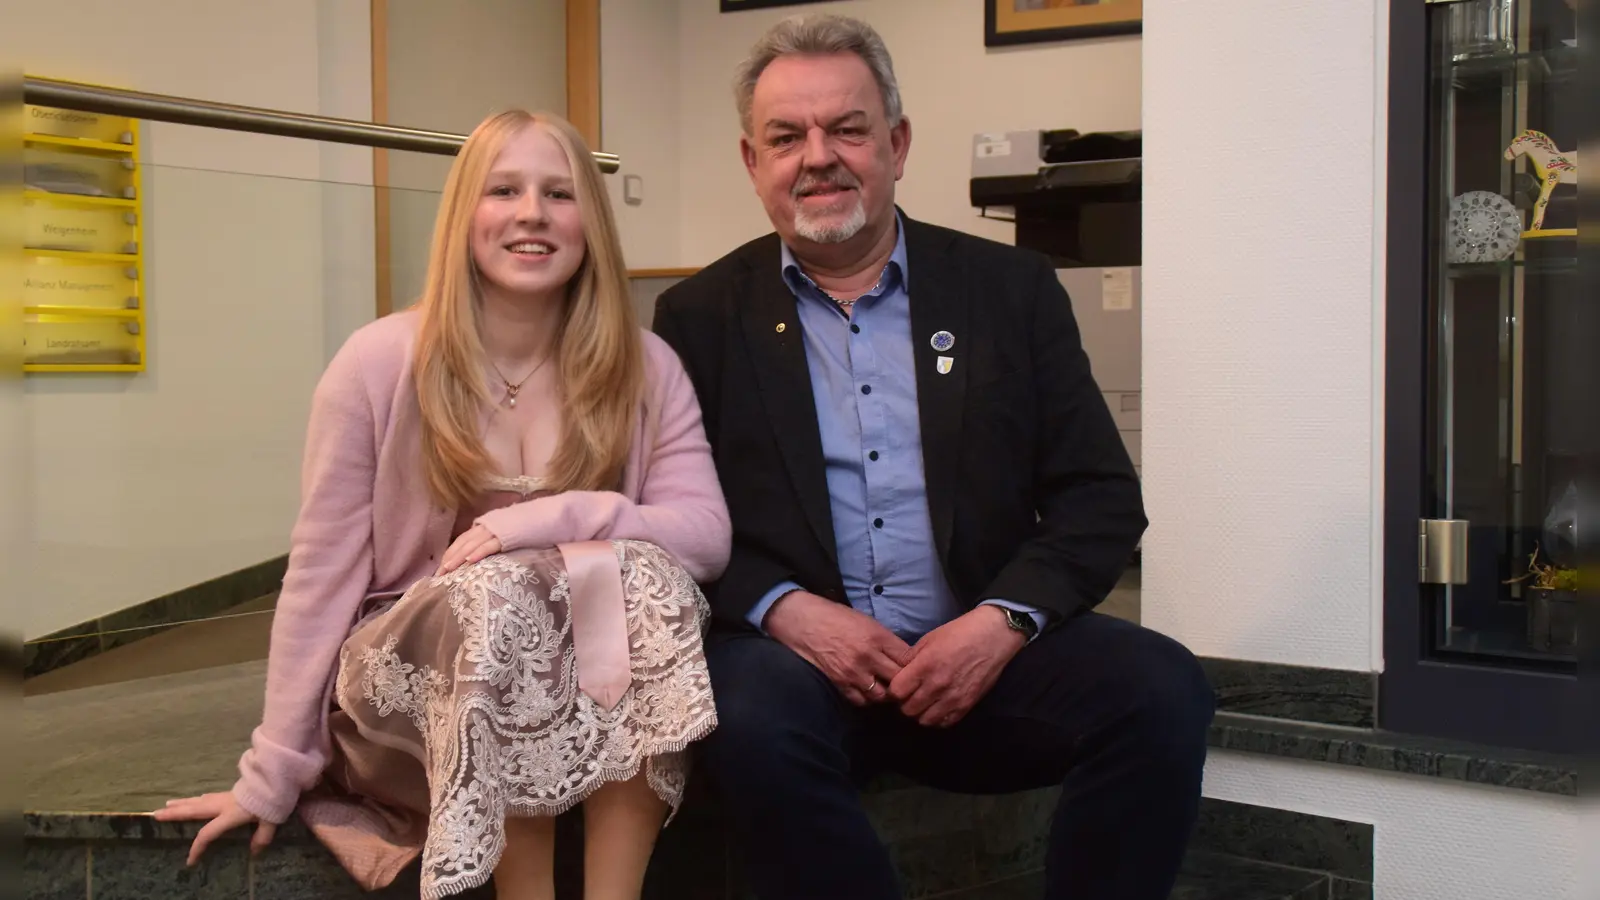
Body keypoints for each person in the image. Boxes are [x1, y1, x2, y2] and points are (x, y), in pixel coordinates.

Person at [650, 14, 1214, 900]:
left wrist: (999, 624)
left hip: (980, 661)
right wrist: (788, 611)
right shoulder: (698, 319)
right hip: (799, 670)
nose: (818, 156)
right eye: (787, 137)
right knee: (745, 715)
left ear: (898, 142)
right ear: (753, 163)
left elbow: (1100, 499)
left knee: (1164, 690)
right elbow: (674, 522)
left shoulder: (1009, 291)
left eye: (847, 128)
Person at [154, 109, 731, 900]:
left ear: (589, 222)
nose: (533, 213)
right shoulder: (376, 362)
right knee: (505, 595)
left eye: (559, 194)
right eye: (504, 190)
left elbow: (704, 537)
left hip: (592, 680)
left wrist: (550, 517)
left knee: (642, 575)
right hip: (406, 692)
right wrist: (270, 773)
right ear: (465, 216)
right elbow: (320, 576)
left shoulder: (647, 366)